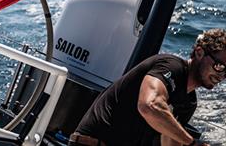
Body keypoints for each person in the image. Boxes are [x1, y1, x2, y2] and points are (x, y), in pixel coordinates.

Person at [70, 28, 225, 146]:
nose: (222, 76)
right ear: (199, 53)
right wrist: (191, 143)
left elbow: (169, 141)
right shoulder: (171, 67)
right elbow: (149, 105)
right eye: (219, 66)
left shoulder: (189, 102)